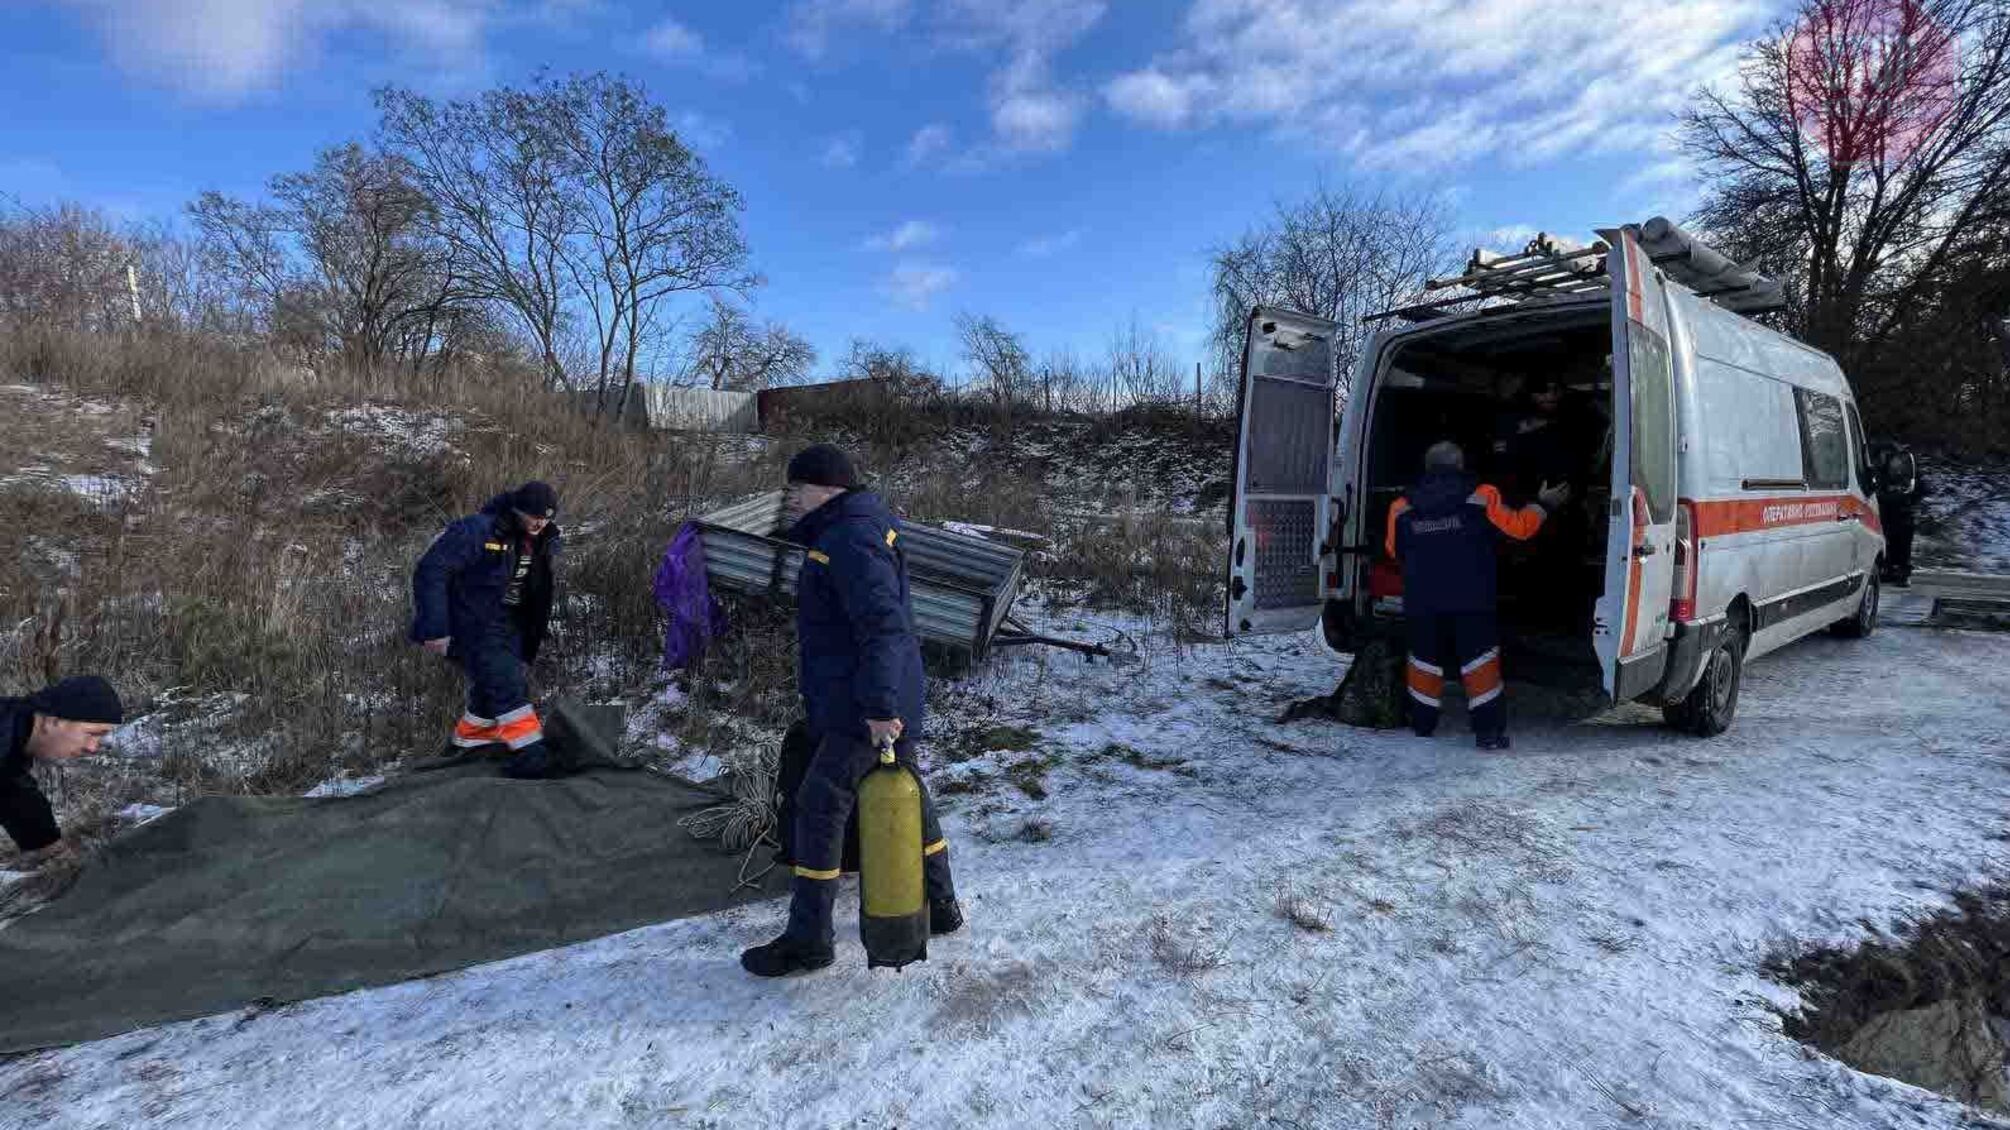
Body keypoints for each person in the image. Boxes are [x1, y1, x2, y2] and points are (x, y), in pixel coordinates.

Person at [741, 443, 961, 977]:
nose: (792, 500)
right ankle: (941, 907)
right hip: (877, 697)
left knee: (819, 807)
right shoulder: (855, 527)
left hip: (863, 706)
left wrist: (880, 707)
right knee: (910, 794)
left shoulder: (849, 538)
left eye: (797, 490)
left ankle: (809, 941)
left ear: (825, 489)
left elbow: (882, 626)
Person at [1386, 442, 1568, 750]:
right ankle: (1488, 733)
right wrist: (1543, 504)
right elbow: (1519, 529)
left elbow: (1393, 550)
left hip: (1422, 600)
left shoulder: (1401, 506)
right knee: (1479, 664)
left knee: (1424, 662)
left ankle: (1423, 725)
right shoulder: (1483, 496)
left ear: (1427, 468)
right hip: (1471, 599)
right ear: (1461, 466)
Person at [411, 481, 562, 779]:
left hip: (510, 624)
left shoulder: (543, 538)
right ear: (518, 510)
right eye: (534, 517)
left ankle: (470, 743)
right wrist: (435, 627)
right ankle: (531, 754)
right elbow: (431, 570)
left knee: (489, 685)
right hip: (472, 623)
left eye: (546, 519)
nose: (540, 523)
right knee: (506, 684)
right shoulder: (477, 530)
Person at [1, 676, 124, 861]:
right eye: (91, 734)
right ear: (51, 722)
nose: (92, 748)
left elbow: (14, 793)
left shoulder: (13, 742)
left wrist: (51, 851)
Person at [1876, 445, 1925, 586]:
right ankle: (1890, 570)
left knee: (1903, 544)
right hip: (1889, 510)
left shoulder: (1909, 466)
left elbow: (1919, 488)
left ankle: (1903, 573)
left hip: (1903, 511)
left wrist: (1909, 500)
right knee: (1889, 542)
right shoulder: (1884, 468)